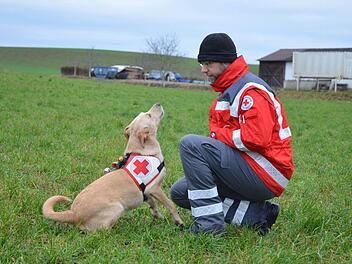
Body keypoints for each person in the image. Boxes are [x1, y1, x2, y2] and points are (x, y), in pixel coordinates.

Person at [171, 33, 294, 235]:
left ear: (224, 62)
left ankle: (209, 228)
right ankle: (258, 215)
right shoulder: (231, 89)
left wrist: (218, 136)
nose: (203, 70)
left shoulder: (249, 91)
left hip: (266, 172)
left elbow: (257, 139)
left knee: (190, 144)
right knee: (182, 193)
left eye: (207, 63)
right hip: (251, 166)